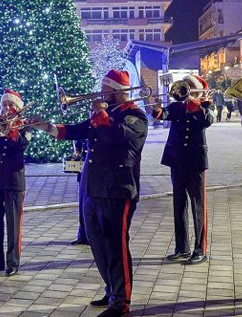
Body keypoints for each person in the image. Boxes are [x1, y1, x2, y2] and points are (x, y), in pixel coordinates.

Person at [42, 70, 147, 317]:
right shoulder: (105, 115)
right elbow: (76, 130)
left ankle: (121, 302)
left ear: (118, 90)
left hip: (118, 189)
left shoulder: (135, 115)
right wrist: (48, 127)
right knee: (98, 243)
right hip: (94, 188)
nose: (101, 92)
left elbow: (119, 138)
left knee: (116, 245)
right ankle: (112, 289)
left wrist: (100, 114)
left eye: (106, 88)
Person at [152, 74, 212, 265]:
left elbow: (206, 121)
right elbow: (165, 115)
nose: (183, 91)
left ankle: (200, 249)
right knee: (179, 205)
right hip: (177, 160)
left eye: (187, 87)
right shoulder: (177, 105)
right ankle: (182, 248)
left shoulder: (203, 106)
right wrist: (156, 109)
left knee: (198, 206)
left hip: (195, 162)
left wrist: (197, 106)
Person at [0, 89, 31, 277]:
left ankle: (13, 263)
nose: (6, 108)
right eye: (4, 105)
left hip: (13, 179)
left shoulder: (25, 125)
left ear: (17, 107)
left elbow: (21, 146)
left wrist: (12, 129)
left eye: (10, 105)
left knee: (13, 224)